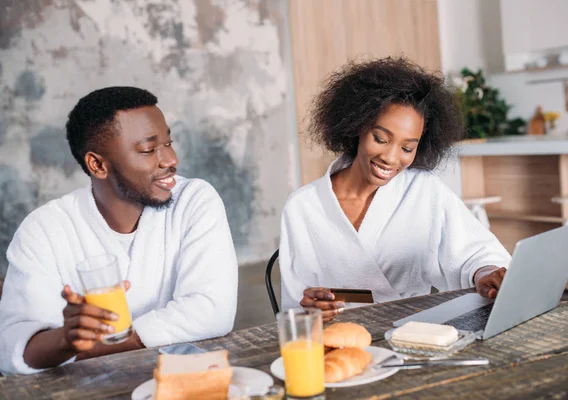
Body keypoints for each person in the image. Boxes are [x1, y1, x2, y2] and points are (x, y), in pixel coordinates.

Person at [0, 87, 238, 375]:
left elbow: (212, 312)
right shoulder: (44, 230)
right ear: (97, 164)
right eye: (149, 150)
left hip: (187, 382)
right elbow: (12, 349)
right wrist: (66, 339)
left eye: (169, 143)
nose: (170, 159)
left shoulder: (194, 200)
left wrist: (90, 348)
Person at [279, 57, 511, 322]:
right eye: (380, 139)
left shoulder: (424, 191)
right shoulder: (303, 207)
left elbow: (475, 253)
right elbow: (296, 306)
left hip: (416, 330)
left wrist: (485, 274)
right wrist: (310, 307)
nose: (391, 157)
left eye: (407, 148)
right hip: (341, 337)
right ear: (357, 125)